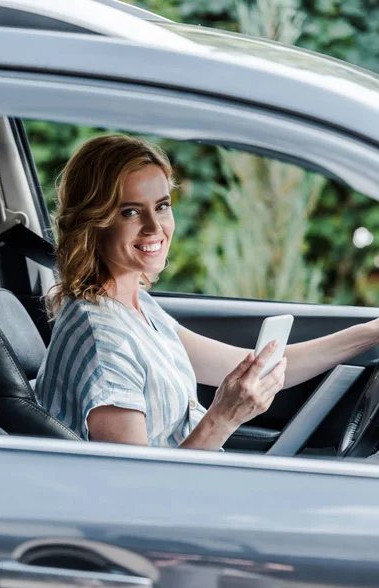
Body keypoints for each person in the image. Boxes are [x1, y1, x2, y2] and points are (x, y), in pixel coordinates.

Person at [35, 134, 379, 451]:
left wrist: (369, 333)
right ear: (92, 221)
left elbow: (244, 364)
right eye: (130, 211)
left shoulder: (132, 307)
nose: (155, 228)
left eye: (162, 206)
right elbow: (138, 494)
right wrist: (224, 417)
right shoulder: (105, 343)